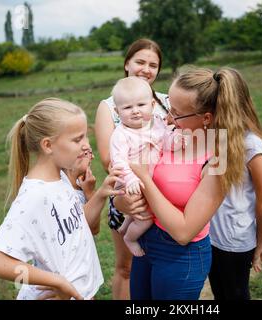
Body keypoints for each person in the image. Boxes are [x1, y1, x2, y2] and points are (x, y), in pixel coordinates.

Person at [127, 67, 262, 299]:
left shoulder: (218, 161)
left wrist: (145, 181)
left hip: (181, 257)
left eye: (177, 113)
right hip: (146, 243)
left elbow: (184, 231)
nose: (168, 118)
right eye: (168, 107)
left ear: (206, 118)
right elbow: (126, 199)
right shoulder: (168, 137)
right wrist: (125, 199)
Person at [0, 98, 125, 300]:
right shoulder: (34, 195)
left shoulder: (62, 178)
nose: (86, 146)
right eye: (77, 140)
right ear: (48, 145)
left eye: (85, 137)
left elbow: (80, 226)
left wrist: (101, 192)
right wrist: (56, 281)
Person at [94, 38, 168, 299]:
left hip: (166, 194)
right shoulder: (110, 106)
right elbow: (108, 160)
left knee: (158, 264)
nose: (146, 69)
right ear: (127, 64)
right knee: (127, 267)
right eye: (140, 62)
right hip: (129, 192)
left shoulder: (167, 103)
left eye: (153, 64)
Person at [208, 71, 262, 300]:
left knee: (234, 294)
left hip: (235, 242)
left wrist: (260, 243)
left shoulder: (253, 146)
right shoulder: (215, 137)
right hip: (212, 236)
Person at [109, 77, 182, 257]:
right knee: (146, 217)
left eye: (141, 105)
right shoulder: (120, 134)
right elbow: (118, 161)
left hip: (148, 179)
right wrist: (131, 179)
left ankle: (125, 226)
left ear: (151, 104)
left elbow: (165, 140)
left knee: (139, 212)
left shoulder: (157, 122)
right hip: (130, 182)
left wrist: (176, 140)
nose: (135, 112)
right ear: (117, 111)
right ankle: (130, 238)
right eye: (127, 108)